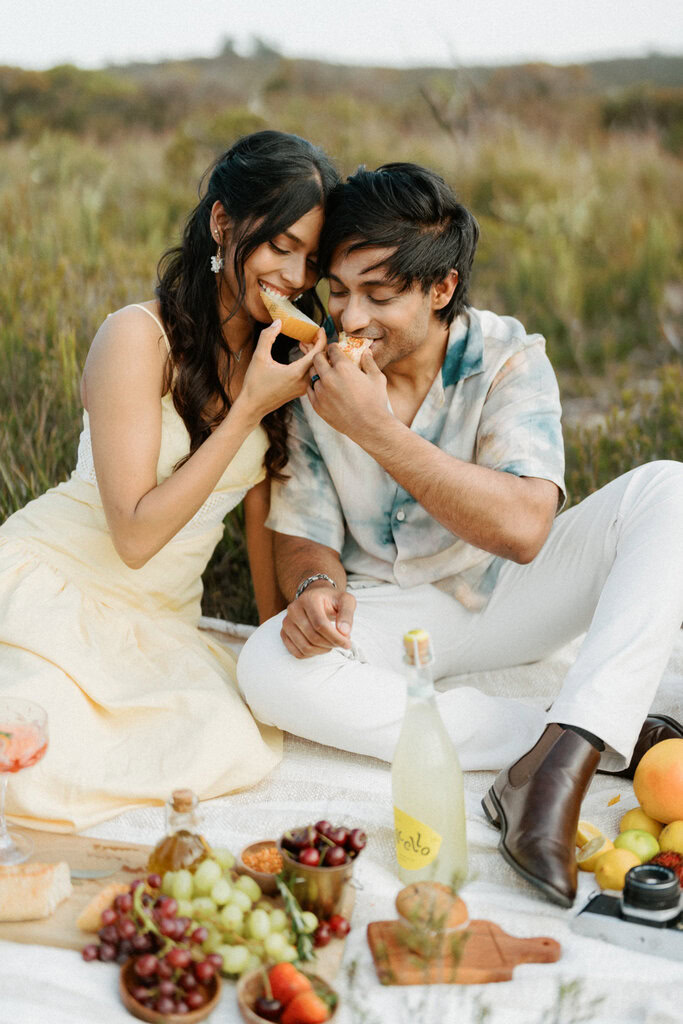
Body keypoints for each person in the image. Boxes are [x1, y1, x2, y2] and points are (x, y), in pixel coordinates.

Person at [237, 162, 683, 907]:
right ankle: (566, 735)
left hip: (513, 591)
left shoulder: (507, 357)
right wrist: (315, 587)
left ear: (440, 288)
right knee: (265, 666)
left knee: (668, 487)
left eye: (379, 296)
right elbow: (302, 532)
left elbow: (522, 528)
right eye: (338, 291)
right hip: (387, 608)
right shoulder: (315, 376)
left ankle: (559, 768)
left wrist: (377, 431)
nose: (349, 319)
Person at [0, 130, 339, 831]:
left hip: (160, 622)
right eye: (279, 245)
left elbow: (257, 507)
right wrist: (249, 406)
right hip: (58, 583)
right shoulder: (136, 337)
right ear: (223, 223)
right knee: (39, 748)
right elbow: (133, 533)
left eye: (310, 258)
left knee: (221, 742)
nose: (294, 276)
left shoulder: (281, 351)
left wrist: (273, 632)